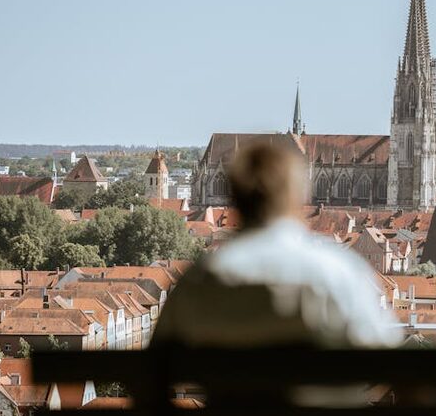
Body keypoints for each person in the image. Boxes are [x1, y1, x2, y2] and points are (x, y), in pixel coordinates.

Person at [154, 141, 401, 349]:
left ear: (233, 200)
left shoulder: (201, 279)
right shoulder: (339, 272)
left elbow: (155, 370)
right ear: (298, 198)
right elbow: (388, 357)